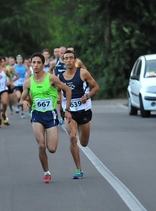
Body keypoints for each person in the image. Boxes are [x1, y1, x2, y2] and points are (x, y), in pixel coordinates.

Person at [21, 53, 73, 184]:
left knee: (52, 149)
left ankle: (47, 167)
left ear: (43, 64)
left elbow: (67, 90)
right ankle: (46, 172)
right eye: (34, 62)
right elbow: (23, 97)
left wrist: (67, 109)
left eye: (39, 62)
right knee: (41, 145)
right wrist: (26, 102)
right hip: (37, 115)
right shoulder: (28, 82)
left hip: (50, 115)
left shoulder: (51, 78)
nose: (36, 65)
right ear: (31, 64)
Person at [59, 50, 99, 179]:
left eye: (71, 58)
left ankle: (79, 163)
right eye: (66, 58)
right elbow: (56, 92)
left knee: (84, 142)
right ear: (63, 61)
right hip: (69, 112)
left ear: (75, 60)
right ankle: (78, 169)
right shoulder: (60, 77)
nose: (69, 60)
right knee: (72, 137)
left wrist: (87, 96)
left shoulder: (83, 73)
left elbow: (96, 87)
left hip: (84, 110)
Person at [50, 46, 67, 126]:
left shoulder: (69, 62)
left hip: (67, 84)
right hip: (57, 83)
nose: (63, 54)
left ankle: (65, 112)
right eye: (61, 53)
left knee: (64, 100)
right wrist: (52, 79)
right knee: (58, 100)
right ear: (58, 53)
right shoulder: (54, 62)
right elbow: (50, 70)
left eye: (64, 52)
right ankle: (59, 117)